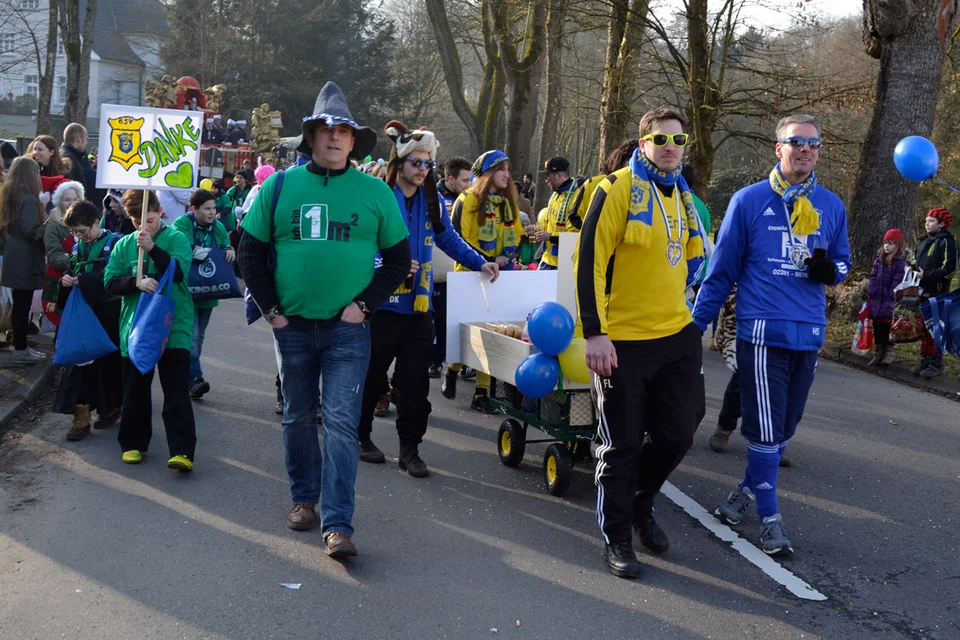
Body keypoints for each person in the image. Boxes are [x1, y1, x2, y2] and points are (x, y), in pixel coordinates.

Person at [238, 81, 410, 558]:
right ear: (311, 137)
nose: (334, 137)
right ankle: (303, 499)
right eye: (325, 129)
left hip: (348, 331)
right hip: (291, 327)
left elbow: (398, 261)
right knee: (296, 415)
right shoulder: (278, 186)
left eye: (343, 131)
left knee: (339, 422)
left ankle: (338, 525)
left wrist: (365, 306)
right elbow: (247, 253)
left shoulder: (376, 192)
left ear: (354, 142)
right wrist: (271, 310)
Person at [692, 114, 851, 557]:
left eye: (814, 144)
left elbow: (843, 260)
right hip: (761, 332)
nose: (806, 150)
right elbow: (720, 273)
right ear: (778, 148)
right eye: (797, 142)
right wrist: (693, 328)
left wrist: (831, 271)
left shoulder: (831, 205)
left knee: (785, 428)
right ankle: (770, 519)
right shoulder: (749, 201)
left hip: (810, 333)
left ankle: (741, 496)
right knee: (763, 429)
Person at [575, 107, 707, 579]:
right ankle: (618, 537)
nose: (671, 146)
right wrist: (595, 333)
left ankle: (641, 501)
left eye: (679, 139)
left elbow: (692, 265)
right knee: (622, 445)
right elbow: (588, 261)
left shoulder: (685, 198)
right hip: (623, 342)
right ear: (642, 143)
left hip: (676, 335)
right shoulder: (617, 189)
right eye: (660, 139)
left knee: (679, 433)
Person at [357, 122, 498, 476]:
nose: (422, 170)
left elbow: (448, 240)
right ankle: (360, 437)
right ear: (400, 162)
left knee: (416, 384)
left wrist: (481, 262)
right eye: (416, 162)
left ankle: (410, 450)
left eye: (428, 164)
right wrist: (386, 264)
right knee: (371, 378)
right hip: (379, 306)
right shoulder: (378, 195)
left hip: (419, 307)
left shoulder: (431, 200)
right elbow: (359, 244)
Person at [104, 189, 197, 471]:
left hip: (173, 325)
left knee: (176, 389)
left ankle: (181, 450)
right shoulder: (123, 245)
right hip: (136, 328)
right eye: (137, 223)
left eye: (151, 219)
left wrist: (153, 249)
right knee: (135, 389)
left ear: (161, 213)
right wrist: (136, 282)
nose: (144, 227)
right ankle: (133, 443)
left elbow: (178, 272)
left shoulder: (176, 238)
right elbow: (109, 281)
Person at [442, 150, 524, 412]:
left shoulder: (508, 202)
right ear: (487, 173)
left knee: (490, 333)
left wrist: (505, 258)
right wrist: (487, 259)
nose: (507, 175)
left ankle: (480, 393)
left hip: (498, 276)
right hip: (469, 275)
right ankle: (451, 368)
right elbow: (458, 239)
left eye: (508, 170)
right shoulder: (466, 200)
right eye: (501, 169)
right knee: (466, 333)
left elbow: (517, 236)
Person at [54, 200, 123, 440]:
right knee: (78, 366)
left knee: (108, 366)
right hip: (84, 315)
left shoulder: (114, 244)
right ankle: (80, 420)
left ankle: (110, 409)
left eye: (82, 231)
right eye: (74, 232)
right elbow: (73, 271)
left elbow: (116, 278)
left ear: (96, 222)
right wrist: (67, 279)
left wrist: (83, 280)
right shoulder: (78, 247)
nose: (78, 236)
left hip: (109, 315)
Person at [172, 189, 235, 399]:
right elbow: (184, 248)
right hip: (186, 291)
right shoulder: (182, 224)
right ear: (193, 209)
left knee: (198, 339)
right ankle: (194, 379)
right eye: (207, 209)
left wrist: (229, 252)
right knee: (192, 338)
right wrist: (210, 254)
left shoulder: (217, 227)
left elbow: (227, 245)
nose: (212, 213)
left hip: (209, 293)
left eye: (214, 208)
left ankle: (183, 376)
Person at [0, 157, 48, 363]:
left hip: (14, 253)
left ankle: (20, 346)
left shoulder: (10, 194)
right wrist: (49, 226)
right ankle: (21, 350)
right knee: (23, 304)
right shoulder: (28, 198)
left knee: (20, 304)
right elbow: (31, 230)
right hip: (26, 256)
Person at [430, 156, 473, 378]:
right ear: (450, 179)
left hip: (455, 273)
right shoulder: (434, 198)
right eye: (465, 180)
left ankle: (445, 361)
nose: (469, 185)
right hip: (428, 272)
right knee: (426, 324)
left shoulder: (471, 200)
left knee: (448, 322)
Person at [912, 207, 956, 377]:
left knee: (935, 329)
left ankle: (936, 362)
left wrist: (928, 275)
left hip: (938, 294)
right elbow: (916, 261)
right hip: (921, 292)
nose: (927, 224)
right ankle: (925, 359)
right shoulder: (923, 241)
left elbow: (950, 268)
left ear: (942, 224)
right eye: (926, 221)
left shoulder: (947, 242)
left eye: (931, 221)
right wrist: (911, 269)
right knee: (923, 327)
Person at [868, 229, 909, 367]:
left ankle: (889, 352)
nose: (887, 246)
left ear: (898, 245)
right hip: (876, 298)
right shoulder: (879, 260)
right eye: (885, 243)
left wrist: (890, 294)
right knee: (877, 326)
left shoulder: (900, 263)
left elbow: (898, 282)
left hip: (889, 300)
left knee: (888, 328)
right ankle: (879, 351)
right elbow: (873, 277)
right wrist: (872, 291)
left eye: (891, 243)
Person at [536, 156, 585, 271]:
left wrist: (550, 237)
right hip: (547, 259)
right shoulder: (555, 194)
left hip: (564, 264)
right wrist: (536, 229)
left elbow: (575, 234)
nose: (546, 180)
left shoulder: (577, 196)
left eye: (548, 176)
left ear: (559, 175)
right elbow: (551, 223)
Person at [60, 123, 96, 199]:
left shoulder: (76, 156)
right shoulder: (68, 159)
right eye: (86, 139)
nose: (87, 143)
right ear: (79, 140)